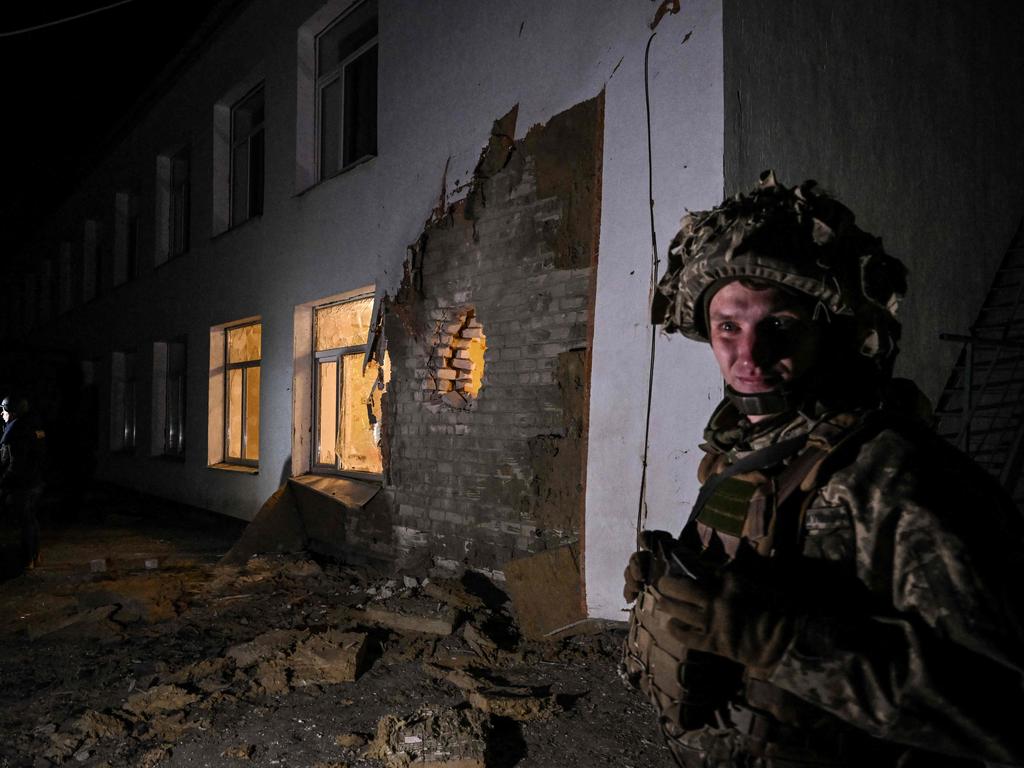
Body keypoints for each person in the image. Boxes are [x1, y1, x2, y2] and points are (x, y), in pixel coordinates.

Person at [621, 171, 1024, 768]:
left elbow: (1002, 713)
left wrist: (786, 643)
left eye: (778, 325)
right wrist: (675, 580)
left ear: (828, 332)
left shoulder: (893, 475)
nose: (748, 354)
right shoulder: (746, 454)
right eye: (728, 326)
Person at [1, 395, 47, 569]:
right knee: (31, 520)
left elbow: (14, 464)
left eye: (4, 410)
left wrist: (4, 482)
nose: (1, 414)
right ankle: (35, 555)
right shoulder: (33, 428)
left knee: (25, 521)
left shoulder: (15, 432)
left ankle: (28, 558)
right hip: (36, 483)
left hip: (23, 485)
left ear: (12, 412)